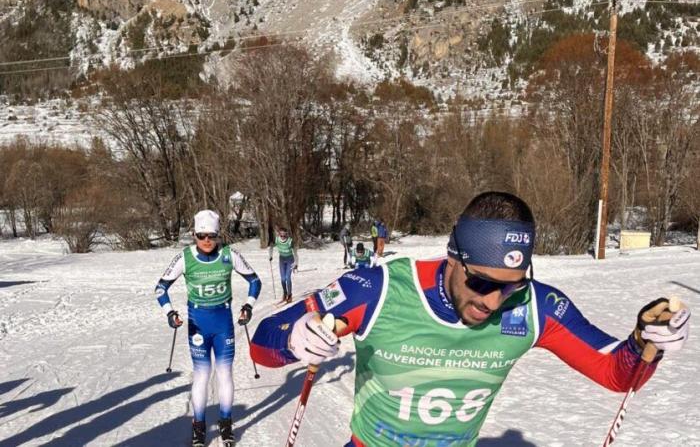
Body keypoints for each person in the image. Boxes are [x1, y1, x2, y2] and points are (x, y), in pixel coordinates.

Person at [250, 192, 691, 447]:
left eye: (512, 285)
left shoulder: (534, 306)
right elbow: (262, 342)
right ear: (453, 258)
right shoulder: (377, 289)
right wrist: (293, 341)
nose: (495, 302)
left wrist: (645, 342)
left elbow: (617, 372)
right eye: (481, 283)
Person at [155, 210, 261, 447]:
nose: (206, 240)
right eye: (201, 235)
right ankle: (199, 426)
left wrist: (248, 306)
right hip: (198, 325)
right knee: (202, 374)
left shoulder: (228, 254)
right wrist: (170, 313)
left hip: (223, 323)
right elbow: (160, 288)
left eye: (211, 235)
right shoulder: (185, 257)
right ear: (194, 234)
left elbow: (255, 281)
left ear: (217, 234)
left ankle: (225, 423)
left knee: (225, 373)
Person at [269, 226, 298, 303]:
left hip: (290, 259)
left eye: (284, 235)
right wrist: (270, 256)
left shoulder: (290, 241)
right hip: (282, 259)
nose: (282, 237)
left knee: (288, 278)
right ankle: (285, 293)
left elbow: (295, 253)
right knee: (282, 279)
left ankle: (289, 295)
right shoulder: (277, 239)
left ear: (287, 235)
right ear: (279, 235)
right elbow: (271, 247)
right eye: (281, 235)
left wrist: (296, 263)